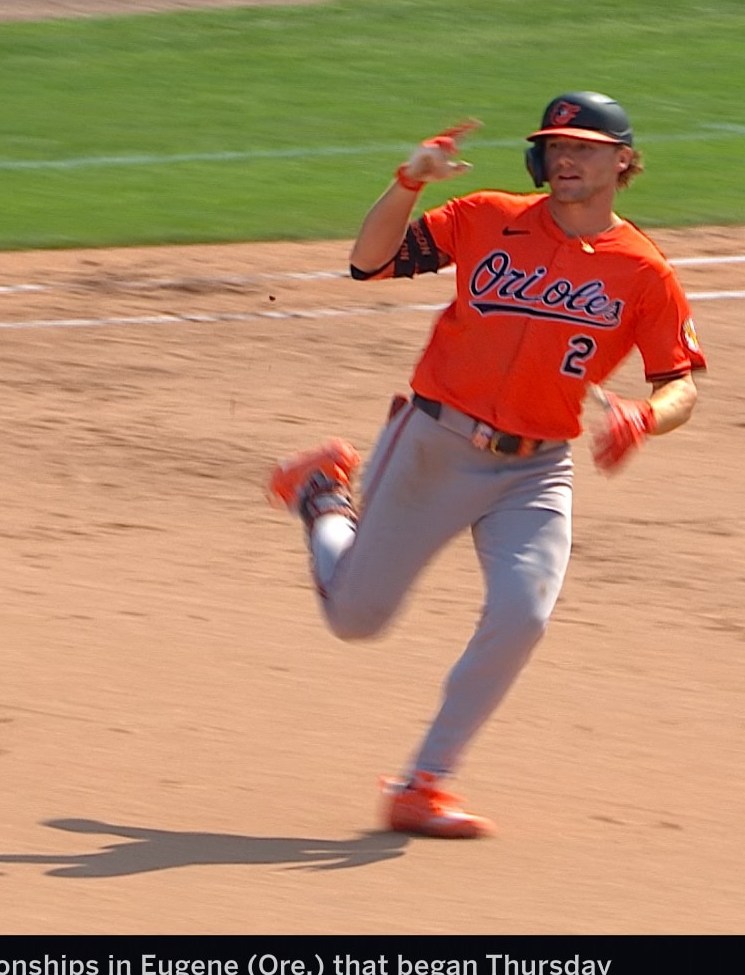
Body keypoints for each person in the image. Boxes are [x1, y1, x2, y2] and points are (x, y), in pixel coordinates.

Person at [266, 91, 706, 838]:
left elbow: (681, 384)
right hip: (434, 446)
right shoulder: (486, 216)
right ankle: (320, 494)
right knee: (355, 619)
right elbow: (369, 263)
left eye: (584, 148)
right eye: (556, 147)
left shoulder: (643, 271)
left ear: (624, 161)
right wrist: (409, 182)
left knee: (522, 614)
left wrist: (646, 417)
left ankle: (424, 783)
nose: (566, 159)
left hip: (535, 470)